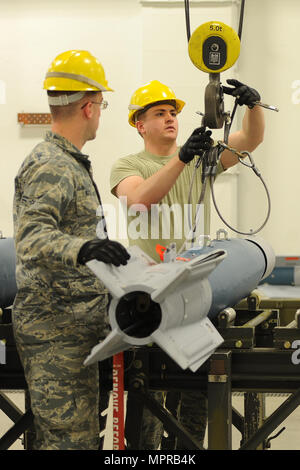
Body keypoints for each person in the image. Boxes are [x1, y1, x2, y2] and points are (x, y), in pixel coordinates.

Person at [110, 79, 265, 449]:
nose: (170, 119)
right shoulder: (129, 165)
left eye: (173, 113)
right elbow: (139, 201)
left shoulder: (200, 160)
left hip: (195, 294)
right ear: (139, 124)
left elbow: (250, 139)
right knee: (150, 399)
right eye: (159, 113)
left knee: (195, 402)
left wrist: (254, 106)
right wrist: (181, 159)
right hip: (151, 298)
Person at [12, 50, 130, 450]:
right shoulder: (52, 164)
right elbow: (30, 238)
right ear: (88, 106)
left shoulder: (69, 162)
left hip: (77, 329)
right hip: (55, 332)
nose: (101, 112)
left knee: (77, 440)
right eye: (102, 104)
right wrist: (86, 248)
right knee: (69, 444)